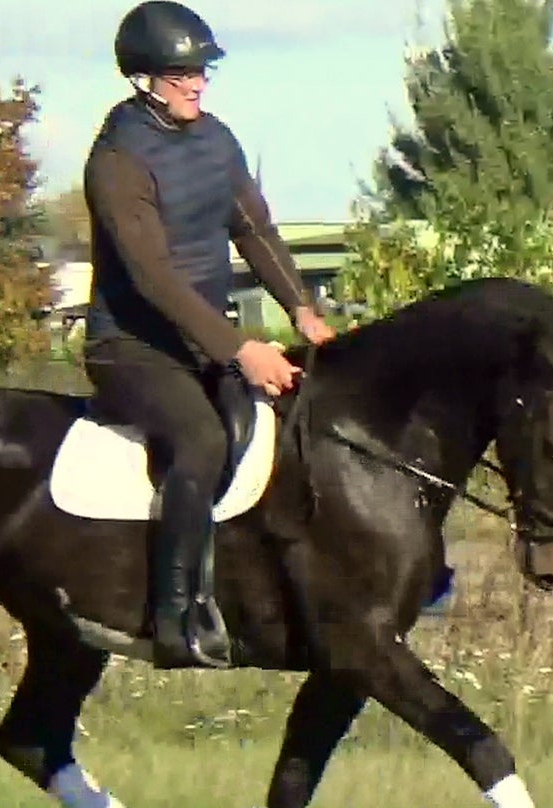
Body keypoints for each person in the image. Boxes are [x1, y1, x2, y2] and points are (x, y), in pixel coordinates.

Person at [81, 0, 334, 670]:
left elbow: (253, 229)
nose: (196, 82)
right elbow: (153, 277)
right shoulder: (117, 160)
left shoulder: (217, 140)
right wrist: (240, 348)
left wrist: (301, 309)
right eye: (180, 73)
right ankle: (171, 618)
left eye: (201, 71)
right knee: (200, 439)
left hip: (203, 344)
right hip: (132, 347)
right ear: (142, 80)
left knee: (293, 421)